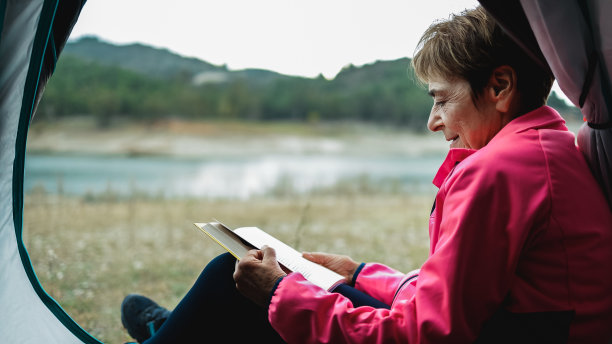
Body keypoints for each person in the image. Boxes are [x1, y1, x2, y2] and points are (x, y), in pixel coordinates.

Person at [121, 6, 612, 343]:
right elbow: (458, 298)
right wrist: (358, 274)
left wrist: (279, 295)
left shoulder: (500, 171)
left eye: (442, 99)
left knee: (235, 283)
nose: (433, 121)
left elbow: (427, 333)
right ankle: (181, 330)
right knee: (249, 285)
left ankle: (177, 331)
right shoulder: (543, 147)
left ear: (499, 86)